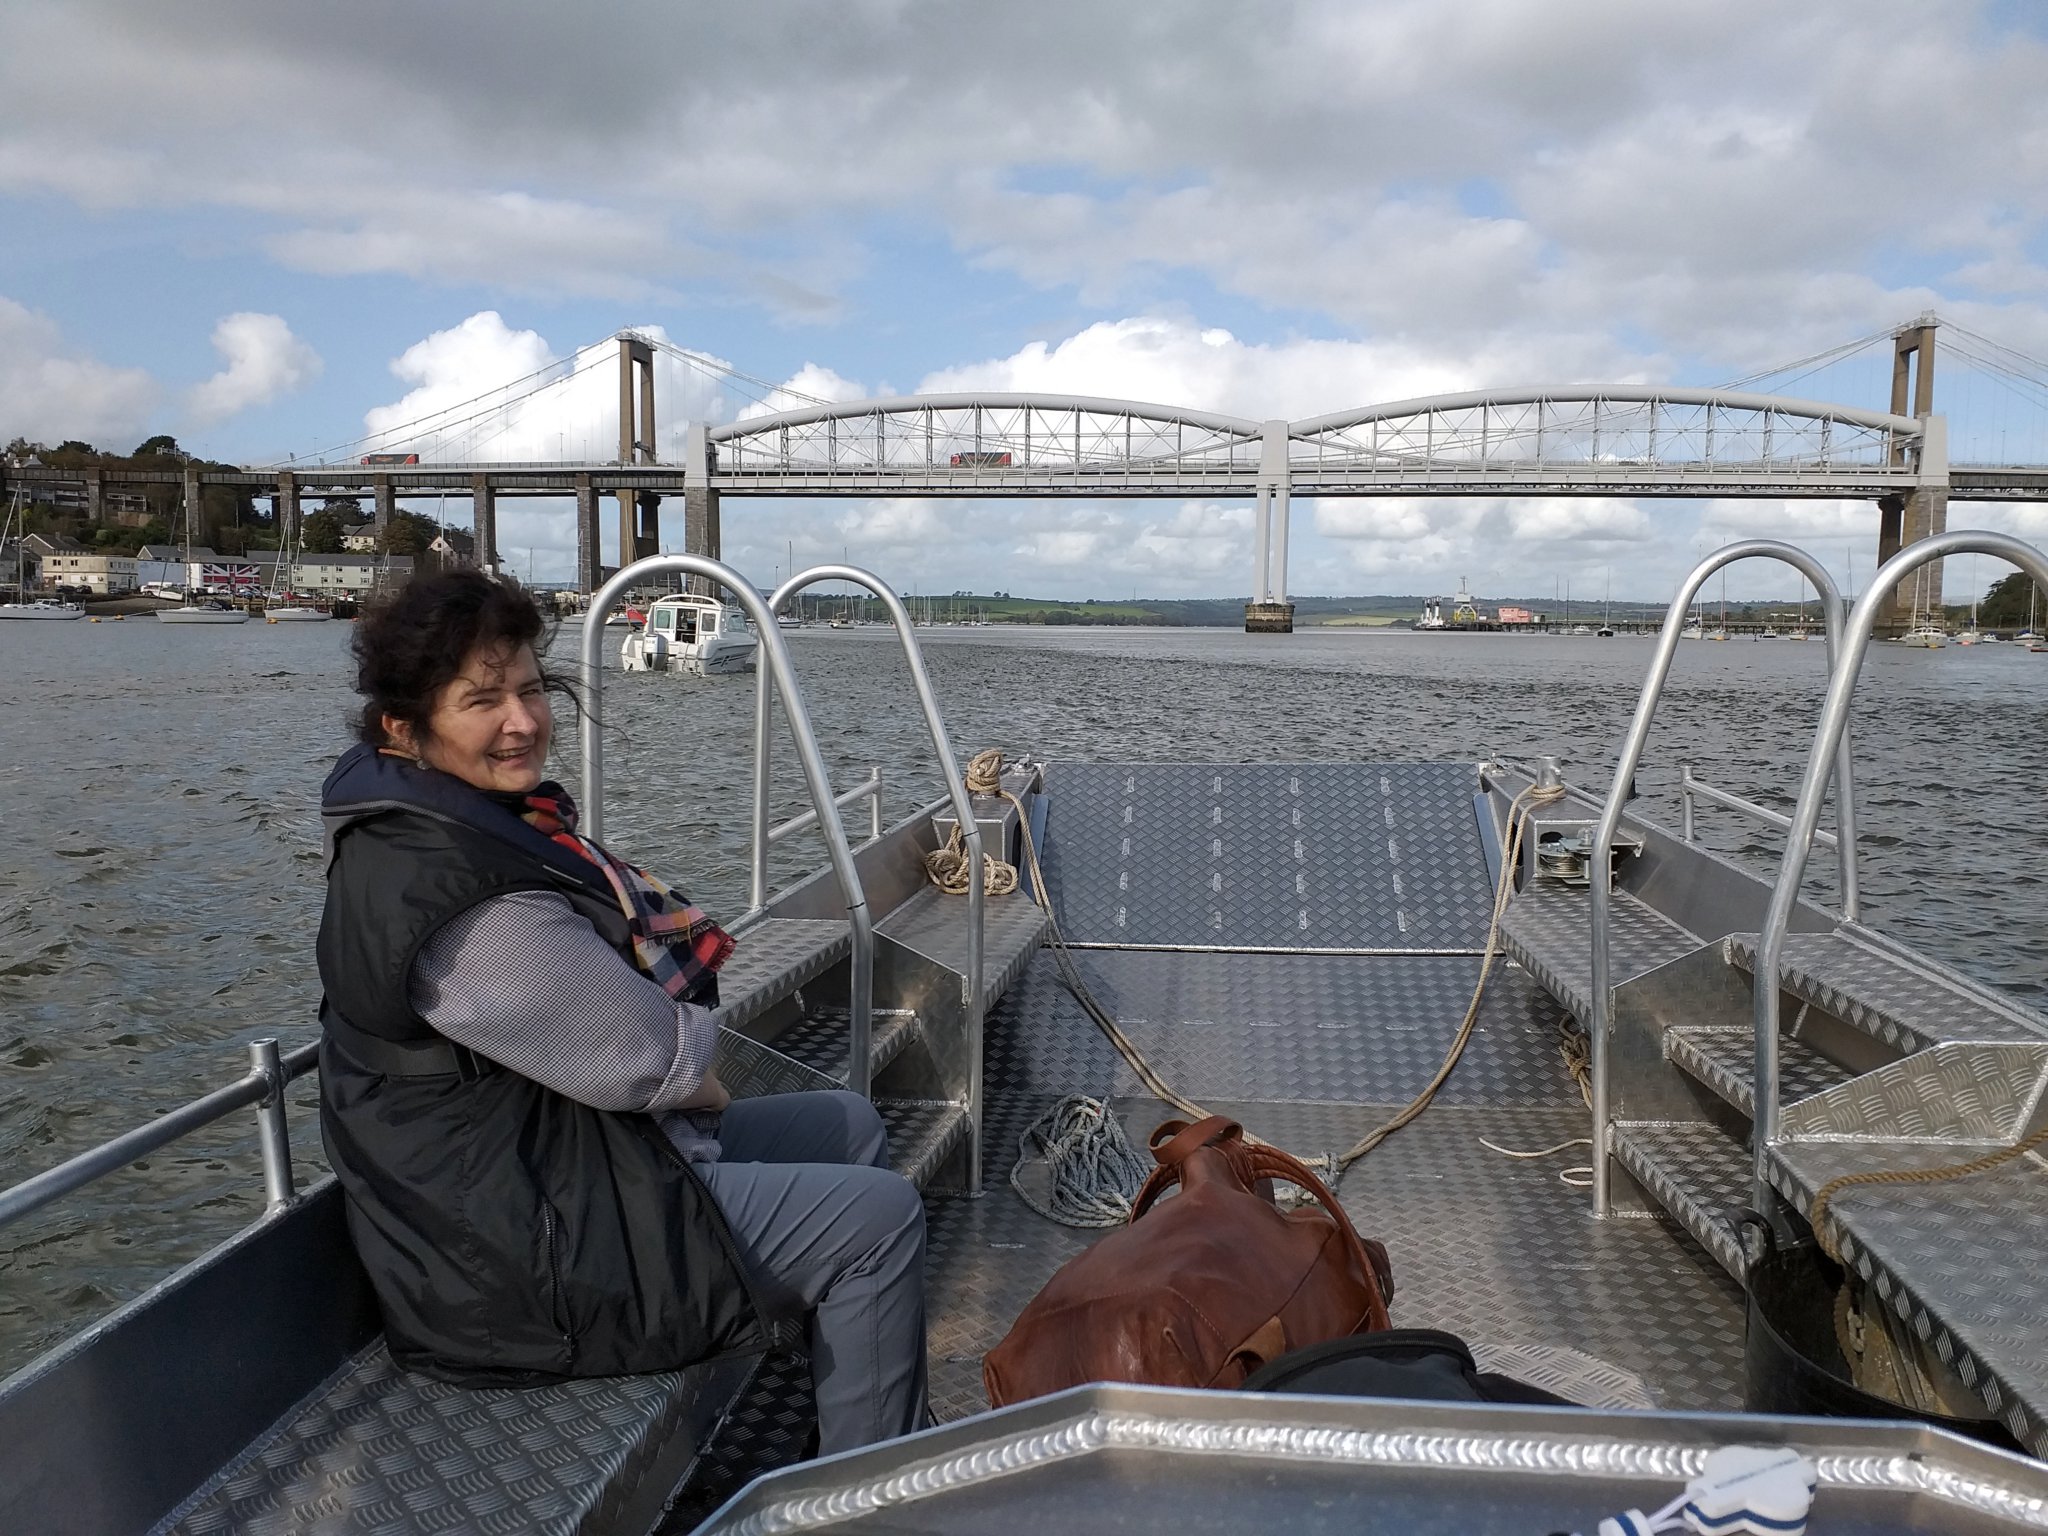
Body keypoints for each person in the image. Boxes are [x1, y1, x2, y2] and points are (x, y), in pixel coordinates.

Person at [315, 569, 927, 1454]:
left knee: (848, 1124)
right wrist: (696, 1072)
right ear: (404, 729)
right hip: (511, 1271)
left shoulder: (431, 829)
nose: (521, 721)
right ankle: (875, 1504)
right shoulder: (461, 902)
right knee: (878, 1221)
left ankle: (837, 1419)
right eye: (481, 700)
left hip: (529, 1177)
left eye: (528, 689)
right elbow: (660, 1062)